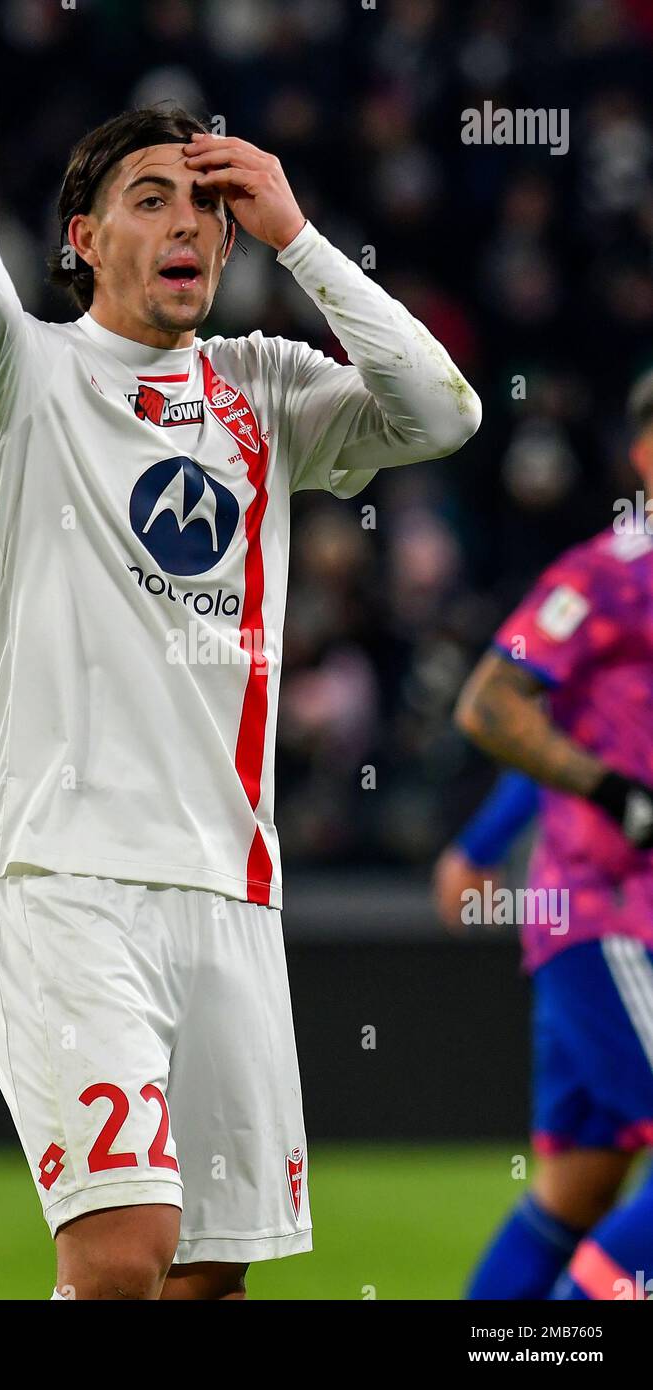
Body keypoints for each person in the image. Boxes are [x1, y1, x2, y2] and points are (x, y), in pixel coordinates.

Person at [0, 50, 480, 1301]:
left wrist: (300, 235)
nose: (190, 222)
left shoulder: (258, 387)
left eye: (208, 206)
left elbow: (443, 415)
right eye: (153, 197)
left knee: (209, 1280)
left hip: (229, 887)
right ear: (82, 237)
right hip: (62, 871)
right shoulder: (19, 375)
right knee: (121, 1259)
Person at [437, 369, 653, 1299]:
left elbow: (570, 726)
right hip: (611, 918)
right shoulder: (612, 571)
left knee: (576, 1191)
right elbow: (494, 706)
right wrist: (611, 796)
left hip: (599, 924)